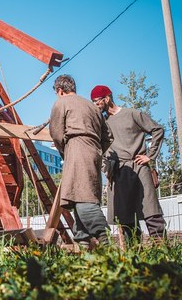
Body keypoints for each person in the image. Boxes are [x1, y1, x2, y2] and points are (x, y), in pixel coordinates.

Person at [90, 84, 166, 242]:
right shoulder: (102, 123)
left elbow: (157, 130)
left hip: (138, 168)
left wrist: (150, 156)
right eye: (93, 102)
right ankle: (134, 257)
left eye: (97, 101)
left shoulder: (132, 114)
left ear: (107, 98)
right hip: (117, 173)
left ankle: (163, 252)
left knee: (151, 212)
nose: (95, 105)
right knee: (125, 219)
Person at [49, 75, 113, 246]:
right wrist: (95, 150)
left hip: (76, 148)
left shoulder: (60, 102)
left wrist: (67, 152)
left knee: (84, 200)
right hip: (94, 151)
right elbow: (108, 137)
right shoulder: (92, 107)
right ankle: (83, 247)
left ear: (60, 90)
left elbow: (56, 133)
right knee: (81, 194)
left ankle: (105, 241)